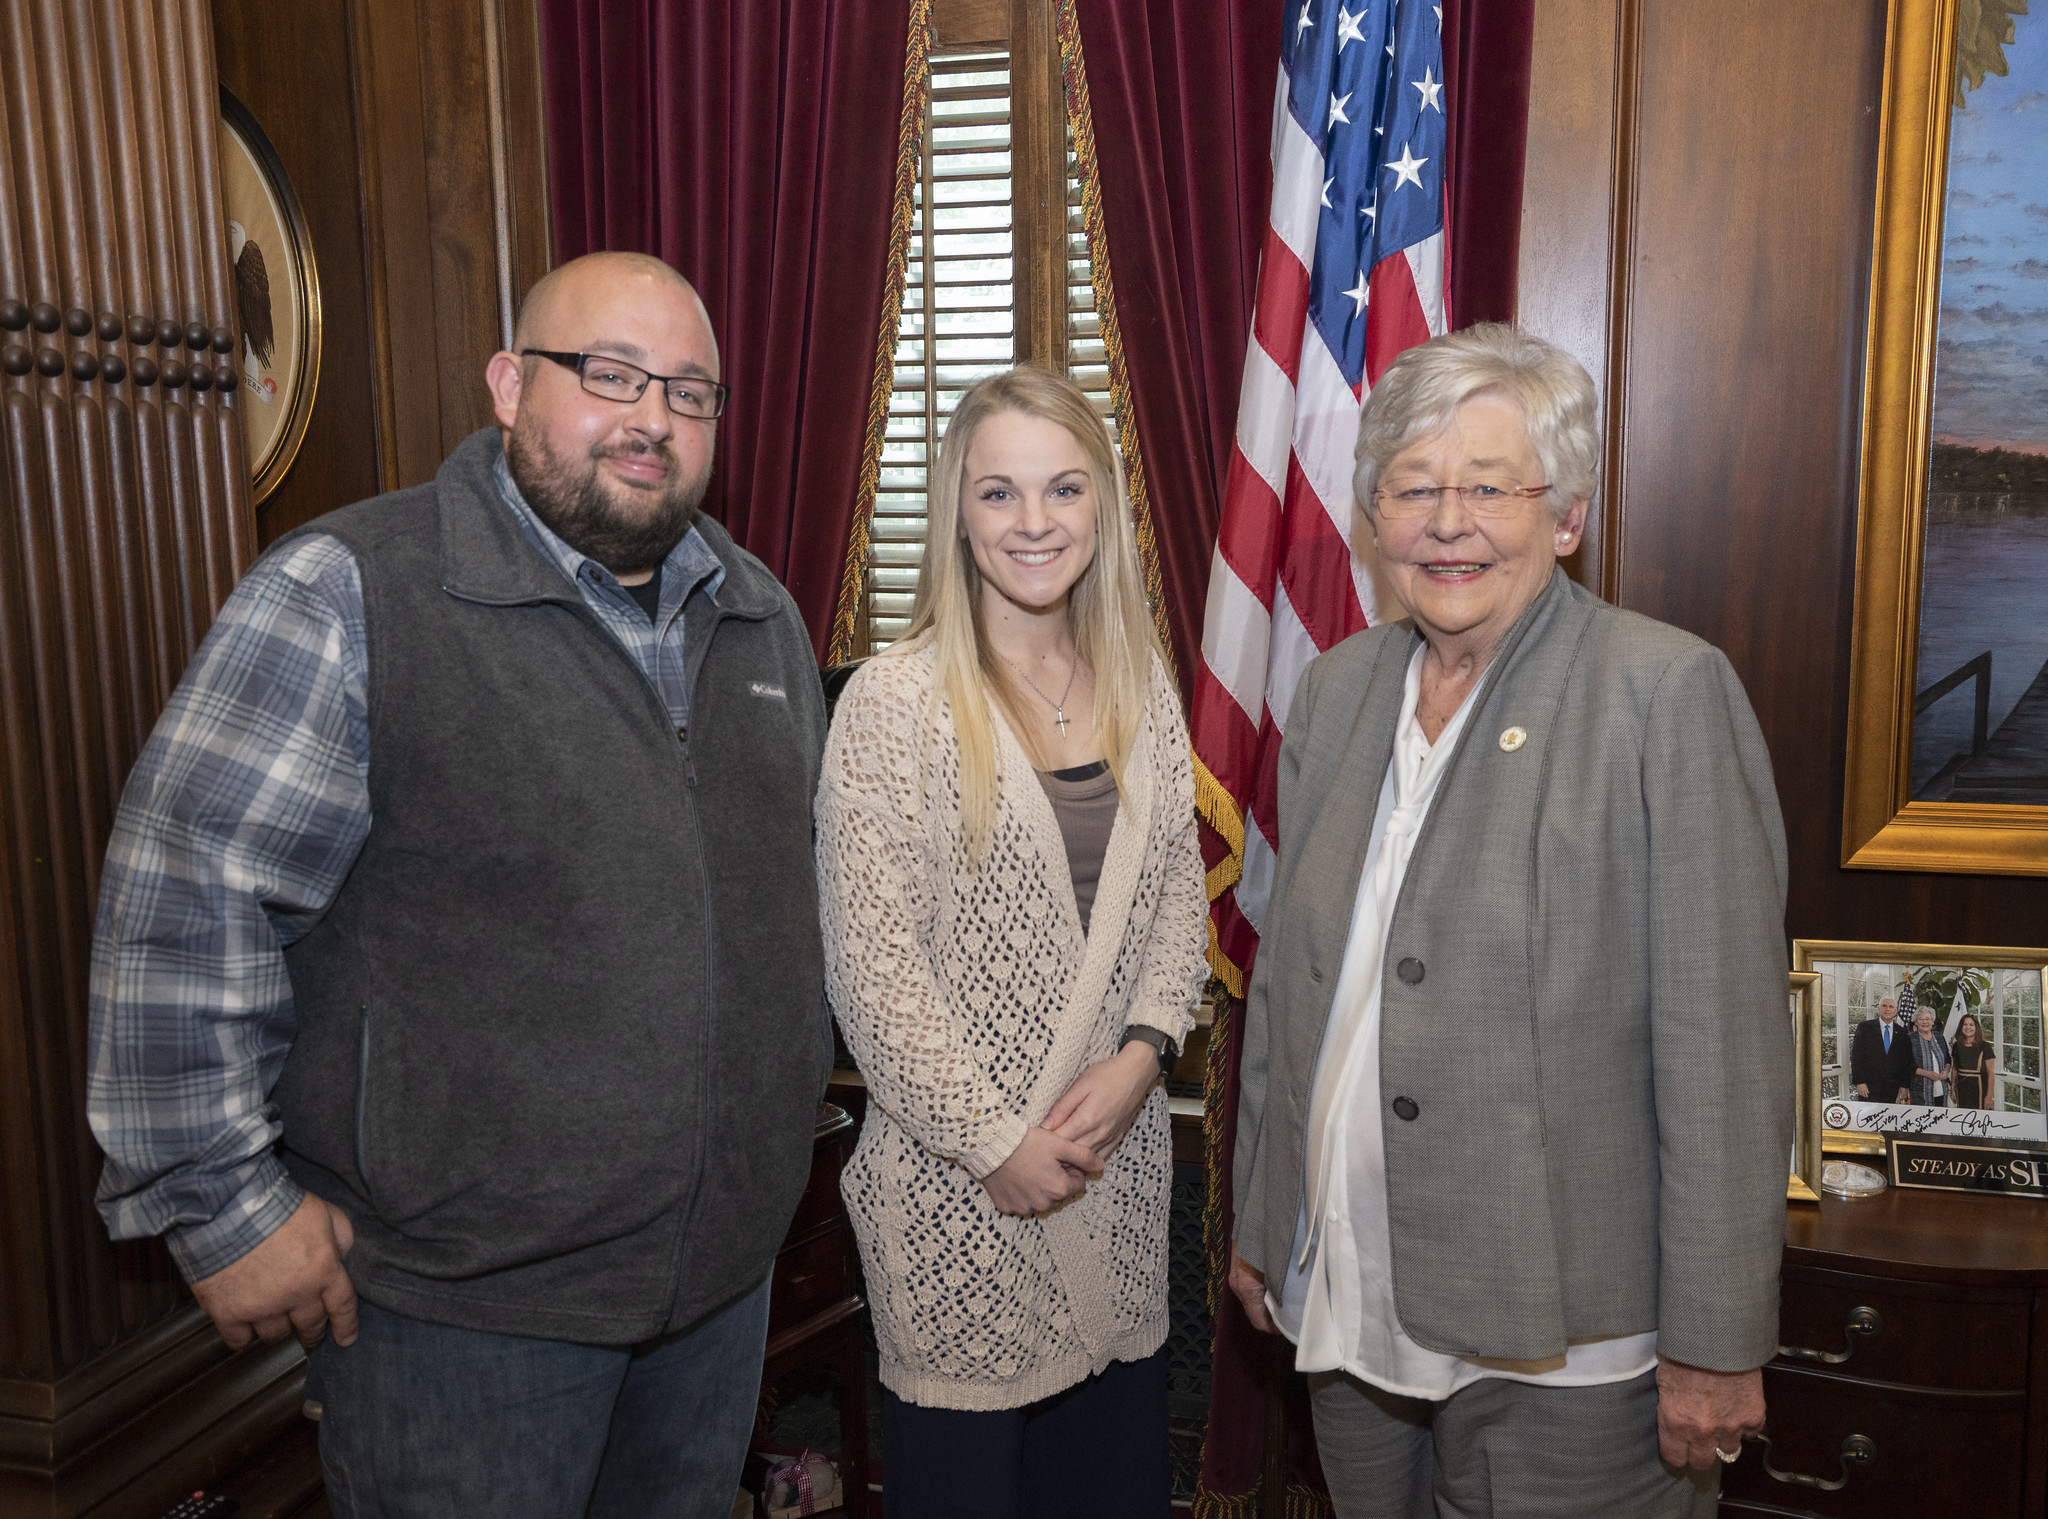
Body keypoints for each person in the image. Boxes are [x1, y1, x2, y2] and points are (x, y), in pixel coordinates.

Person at [87, 252, 833, 1516]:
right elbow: (183, 901)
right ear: (507, 382)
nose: (652, 418)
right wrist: (220, 1205)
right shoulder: (348, 591)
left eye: (691, 392)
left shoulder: (756, 614)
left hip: (713, 1299)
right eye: (610, 375)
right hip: (458, 1322)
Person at [1225, 325, 1791, 1519]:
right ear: (1373, 518)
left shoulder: (1661, 693)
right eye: (1413, 488)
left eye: (1488, 487)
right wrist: (1263, 1223)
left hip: (1571, 1345)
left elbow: (1723, 1052)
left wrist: (1716, 1334)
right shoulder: (1337, 690)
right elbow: (1292, 989)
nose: (1447, 522)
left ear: (1565, 516)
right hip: (1351, 1304)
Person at [814, 367, 1206, 1519]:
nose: (1033, 523)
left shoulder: (1143, 684)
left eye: (1061, 489)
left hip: (1116, 1188)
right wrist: (993, 1145)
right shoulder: (893, 702)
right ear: (956, 512)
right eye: (998, 493)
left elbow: (1178, 899)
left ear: (1102, 506)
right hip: (957, 1209)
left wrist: (1141, 1058)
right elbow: (869, 970)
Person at [1849, 994, 1915, 1105]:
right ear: (1879, 1009)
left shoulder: (1902, 1032)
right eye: (1884, 1006)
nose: (1887, 1009)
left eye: (1891, 1006)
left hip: (1892, 1088)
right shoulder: (1865, 1027)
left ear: (1895, 1011)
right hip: (1868, 1087)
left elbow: (1905, 1061)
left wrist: (1904, 1086)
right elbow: (1856, 1056)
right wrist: (1860, 1082)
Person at [1909, 1007, 1955, 1107]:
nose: (1924, 1022)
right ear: (1916, 1022)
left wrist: (1946, 1071)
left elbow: (1948, 1058)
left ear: (1933, 1022)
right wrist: (1927, 1073)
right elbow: (1906, 1065)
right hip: (1920, 1091)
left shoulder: (1939, 1036)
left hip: (1941, 1089)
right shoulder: (1910, 1039)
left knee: (1941, 1118)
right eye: (1921, 1019)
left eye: (1927, 1019)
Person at [1953, 1012, 1996, 1109]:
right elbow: (1955, 1069)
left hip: (1980, 1088)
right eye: (1965, 1024)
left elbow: (1991, 1073)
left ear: (1976, 1027)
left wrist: (1989, 1097)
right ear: (1961, 1027)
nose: (1968, 1027)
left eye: (1971, 1025)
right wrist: (1952, 1088)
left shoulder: (1985, 1046)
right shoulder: (1957, 1045)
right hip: (1961, 1088)